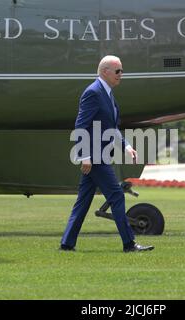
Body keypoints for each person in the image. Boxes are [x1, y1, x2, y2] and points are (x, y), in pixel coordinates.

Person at [60, 55, 154, 253]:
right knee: (117, 196)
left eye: (122, 71)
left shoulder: (107, 94)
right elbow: (81, 125)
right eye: (118, 71)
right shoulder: (93, 93)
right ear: (105, 71)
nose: (121, 74)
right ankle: (129, 244)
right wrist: (85, 155)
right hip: (95, 157)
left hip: (99, 155)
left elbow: (111, 127)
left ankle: (67, 244)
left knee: (83, 201)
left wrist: (126, 146)